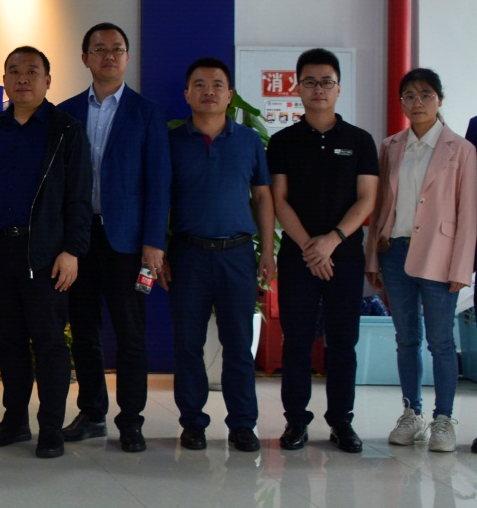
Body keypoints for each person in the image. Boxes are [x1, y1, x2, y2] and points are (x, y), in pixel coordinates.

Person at [0, 46, 91, 459]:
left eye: (32, 71)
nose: (23, 78)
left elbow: (79, 197)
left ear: (48, 80)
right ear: (4, 80)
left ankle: (51, 427)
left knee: (50, 342)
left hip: (45, 253)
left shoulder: (66, 130)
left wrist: (72, 250)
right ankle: (15, 421)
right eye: (14, 71)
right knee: (9, 342)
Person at [57, 23, 170, 453]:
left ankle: (131, 420)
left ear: (126, 57)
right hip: (80, 240)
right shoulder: (66, 112)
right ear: (84, 57)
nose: (108, 56)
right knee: (84, 330)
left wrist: (154, 241)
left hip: (129, 242)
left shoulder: (147, 113)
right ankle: (91, 413)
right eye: (99, 49)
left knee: (130, 334)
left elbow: (159, 182)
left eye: (116, 49)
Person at [268, 48, 378, 453]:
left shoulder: (359, 140)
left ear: (338, 88)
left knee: (343, 343)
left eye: (326, 82)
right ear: (298, 88)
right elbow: (279, 200)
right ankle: (296, 421)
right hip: (298, 257)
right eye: (310, 82)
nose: (319, 89)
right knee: (296, 341)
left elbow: (367, 199)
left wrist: (332, 239)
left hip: (344, 257)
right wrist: (309, 247)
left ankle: (341, 421)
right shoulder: (283, 141)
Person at [163, 57, 274, 453]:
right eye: (199, 84)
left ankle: (242, 424)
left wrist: (267, 252)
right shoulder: (172, 142)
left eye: (217, 85)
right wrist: (159, 251)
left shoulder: (248, 141)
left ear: (230, 95)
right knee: (188, 345)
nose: (208, 91)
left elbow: (263, 197)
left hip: (237, 255)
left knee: (238, 345)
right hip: (188, 255)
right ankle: (193, 423)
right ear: (186, 94)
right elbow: (160, 200)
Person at [365, 68, 477, 453]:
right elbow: (380, 206)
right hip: (395, 251)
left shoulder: (461, 149)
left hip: (440, 256)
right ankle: (411, 414)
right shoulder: (390, 146)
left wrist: (462, 267)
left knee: (441, 341)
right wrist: (373, 257)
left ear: (439, 100)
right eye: (409, 96)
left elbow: (468, 214)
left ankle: (443, 419)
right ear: (401, 103)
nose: (417, 102)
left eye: (426, 94)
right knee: (406, 339)